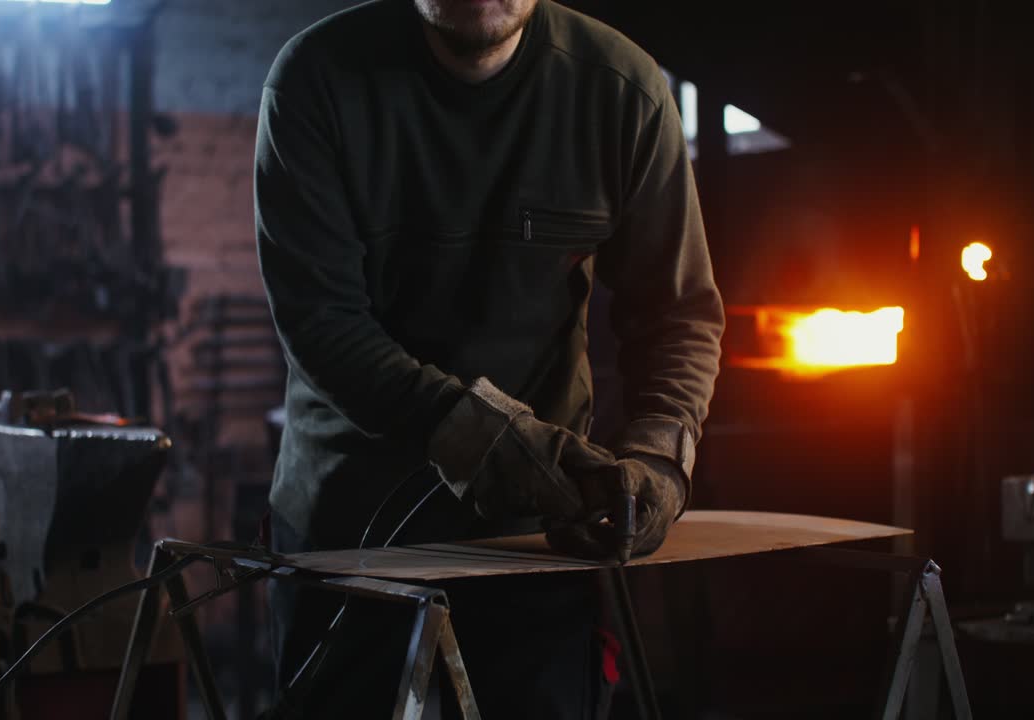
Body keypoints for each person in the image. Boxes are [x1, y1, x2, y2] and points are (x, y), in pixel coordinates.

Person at [254, 0, 723, 716]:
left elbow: (678, 315)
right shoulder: (316, 82)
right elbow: (323, 325)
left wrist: (660, 455)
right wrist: (484, 437)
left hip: (537, 540)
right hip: (354, 534)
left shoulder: (620, 90)